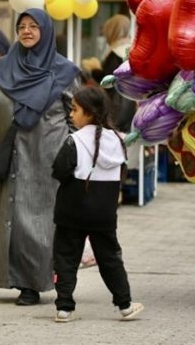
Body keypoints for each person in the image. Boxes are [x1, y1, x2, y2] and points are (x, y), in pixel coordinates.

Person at [0, 8, 80, 306]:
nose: (26, 31)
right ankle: (10, 278)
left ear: (46, 31)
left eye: (34, 26)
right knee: (7, 220)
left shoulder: (64, 72)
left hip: (45, 161)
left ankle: (32, 285)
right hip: (7, 157)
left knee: (34, 223)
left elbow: (78, 117)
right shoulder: (1, 70)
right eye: (21, 26)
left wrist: (80, 157)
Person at [51, 86, 143, 323]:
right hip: (103, 211)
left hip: (72, 209)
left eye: (75, 110)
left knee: (66, 258)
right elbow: (121, 171)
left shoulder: (74, 141)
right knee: (110, 257)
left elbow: (59, 170)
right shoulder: (117, 141)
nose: (71, 114)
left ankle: (64, 308)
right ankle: (125, 305)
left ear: (89, 113)